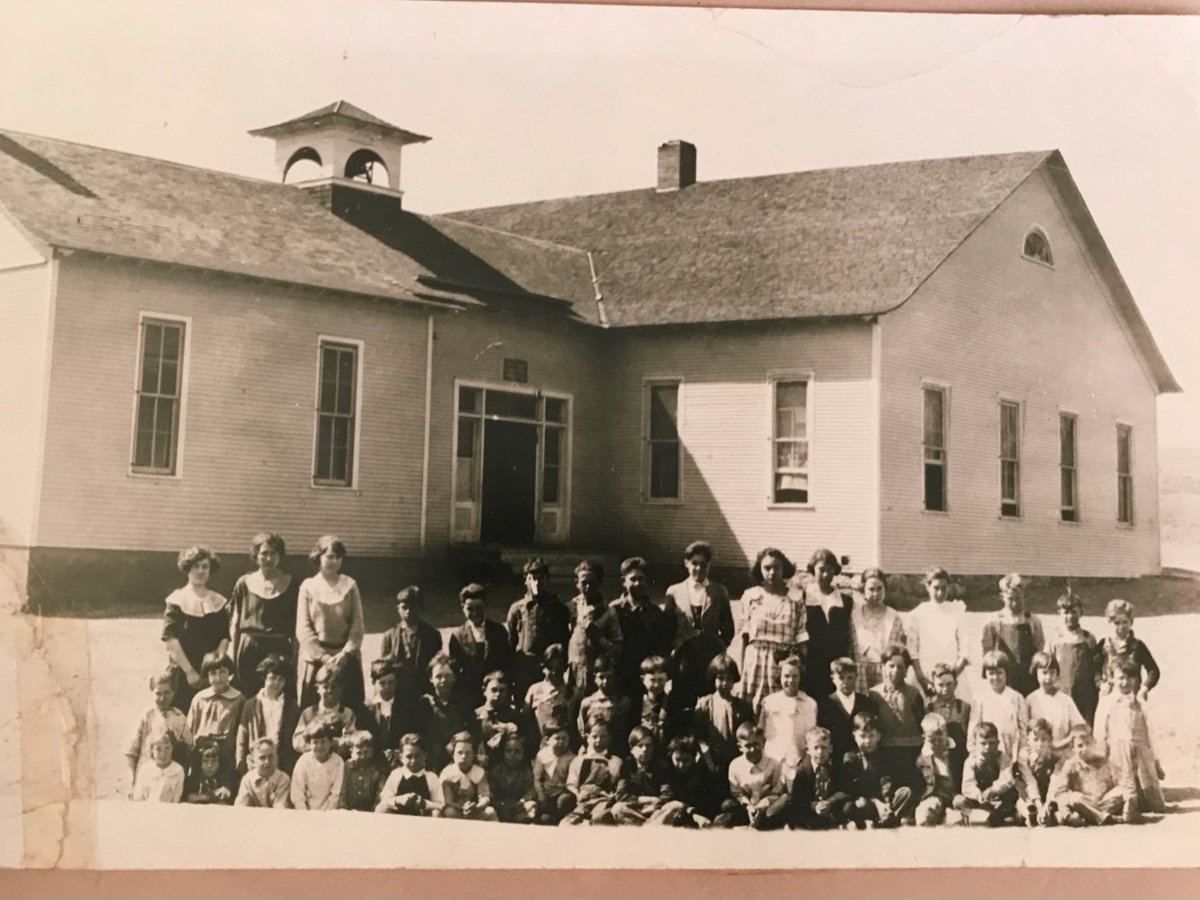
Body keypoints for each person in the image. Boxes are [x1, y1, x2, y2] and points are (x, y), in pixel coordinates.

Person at [295, 535, 365, 712]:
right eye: (329, 556)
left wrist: (346, 653)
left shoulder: (350, 585)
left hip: (345, 659)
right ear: (318, 557)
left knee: (350, 707)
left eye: (338, 557)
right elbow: (303, 628)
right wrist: (324, 658)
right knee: (313, 709)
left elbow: (358, 624)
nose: (334, 561)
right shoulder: (308, 586)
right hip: (317, 659)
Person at [228, 532, 299, 698]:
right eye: (264, 553)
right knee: (247, 695)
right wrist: (234, 657)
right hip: (249, 648)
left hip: (279, 647)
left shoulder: (292, 583)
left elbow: (297, 624)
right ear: (256, 556)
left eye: (273, 553)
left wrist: (294, 657)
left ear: (280, 556)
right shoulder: (243, 583)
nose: (268, 558)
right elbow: (236, 623)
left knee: (278, 695)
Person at [737, 547, 807, 714]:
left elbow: (801, 635)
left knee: (781, 710)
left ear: (784, 569)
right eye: (767, 568)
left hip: (782, 663)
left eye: (777, 567)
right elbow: (744, 637)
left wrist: (801, 666)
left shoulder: (796, 597)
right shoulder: (750, 596)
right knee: (753, 710)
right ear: (759, 570)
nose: (772, 572)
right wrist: (741, 670)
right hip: (755, 662)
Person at [161, 545, 231, 712]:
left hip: (210, 673)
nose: (201, 571)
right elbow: (171, 639)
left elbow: (224, 636)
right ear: (188, 569)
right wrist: (190, 672)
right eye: (196, 566)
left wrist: (215, 668)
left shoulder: (218, 601)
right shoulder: (177, 599)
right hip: (183, 670)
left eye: (205, 566)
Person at [1095, 659, 1166, 821]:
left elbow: (1151, 734)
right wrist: (1101, 755)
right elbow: (1100, 731)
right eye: (1120, 678)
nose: (1125, 682)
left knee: (1157, 804)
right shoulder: (1107, 703)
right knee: (1124, 785)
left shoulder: (1141, 703)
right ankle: (1126, 802)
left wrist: (1156, 761)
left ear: (1135, 679)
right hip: (1118, 752)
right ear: (1111, 678)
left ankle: (1137, 799)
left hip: (1140, 753)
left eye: (1129, 678)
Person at [506, 558, 571, 701]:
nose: (537, 583)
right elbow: (510, 642)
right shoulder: (517, 609)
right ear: (526, 581)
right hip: (524, 669)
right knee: (523, 705)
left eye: (541, 579)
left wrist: (559, 666)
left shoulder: (559, 608)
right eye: (532, 579)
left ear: (547, 581)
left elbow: (564, 640)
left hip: (549, 669)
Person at [610, 557, 674, 699]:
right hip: (619, 674)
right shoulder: (614, 610)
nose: (637, 583)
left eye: (641, 579)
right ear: (623, 582)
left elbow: (663, 647)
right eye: (632, 579)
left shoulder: (656, 613)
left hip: (645, 678)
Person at [837, 711, 914, 828]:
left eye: (872, 736)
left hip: (884, 799)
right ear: (854, 736)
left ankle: (885, 819)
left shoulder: (884, 756)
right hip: (867, 801)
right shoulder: (851, 757)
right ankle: (884, 820)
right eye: (862, 736)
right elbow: (856, 788)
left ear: (879, 736)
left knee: (905, 792)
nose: (867, 741)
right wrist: (876, 803)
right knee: (860, 804)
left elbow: (886, 782)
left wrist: (885, 803)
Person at [797, 548, 855, 699]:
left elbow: (850, 633)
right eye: (821, 569)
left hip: (838, 663)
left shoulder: (845, 600)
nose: (826, 575)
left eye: (830, 570)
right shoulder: (803, 597)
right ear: (812, 570)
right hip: (812, 663)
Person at [906, 567, 968, 702]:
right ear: (928, 587)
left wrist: (951, 676)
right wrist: (922, 679)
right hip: (925, 673)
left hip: (952, 670)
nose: (940, 592)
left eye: (944, 588)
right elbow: (912, 650)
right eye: (936, 588)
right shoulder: (918, 613)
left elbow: (965, 649)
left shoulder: (956, 611)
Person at [450, 583, 515, 710]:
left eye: (479, 608)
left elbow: (507, 664)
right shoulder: (457, 636)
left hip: (496, 696)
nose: (475, 613)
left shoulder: (499, 631)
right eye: (470, 608)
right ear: (463, 607)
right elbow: (455, 671)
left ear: (486, 606)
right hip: (469, 696)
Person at [712, 723, 789, 830]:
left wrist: (761, 807)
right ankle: (748, 824)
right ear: (740, 747)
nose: (753, 749)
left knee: (782, 803)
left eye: (756, 744)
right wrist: (749, 808)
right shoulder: (735, 765)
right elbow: (737, 793)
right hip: (745, 807)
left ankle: (763, 825)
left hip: (766, 806)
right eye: (748, 746)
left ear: (763, 743)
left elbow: (777, 792)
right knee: (727, 806)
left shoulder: (774, 765)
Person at [125, 671, 193, 791]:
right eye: (158, 693)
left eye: (167, 693)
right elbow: (131, 750)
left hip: (170, 779)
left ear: (173, 693)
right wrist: (132, 779)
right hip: (146, 777)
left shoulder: (180, 718)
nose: (162, 698)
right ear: (152, 692)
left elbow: (189, 749)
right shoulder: (146, 716)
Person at [689, 654, 755, 777]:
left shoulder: (742, 706)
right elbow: (699, 737)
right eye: (720, 678)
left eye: (729, 679)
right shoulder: (705, 704)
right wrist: (709, 761)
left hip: (736, 764)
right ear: (713, 678)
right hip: (710, 763)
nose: (724, 683)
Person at [980, 573, 1045, 697]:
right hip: (1002, 678)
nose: (1015, 603)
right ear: (1002, 597)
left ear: (1024, 597)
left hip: (1028, 679)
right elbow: (986, 652)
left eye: (1018, 598)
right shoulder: (993, 622)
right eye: (1010, 599)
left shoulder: (1033, 621)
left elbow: (1039, 650)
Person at [236, 653, 301, 775]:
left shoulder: (292, 707)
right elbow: (242, 736)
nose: (276, 683)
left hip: (282, 765)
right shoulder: (251, 704)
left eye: (281, 679)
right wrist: (241, 762)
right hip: (256, 763)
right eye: (273, 678)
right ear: (264, 678)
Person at [758, 654, 818, 784]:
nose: (790, 680)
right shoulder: (769, 702)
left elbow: (813, 738)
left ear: (800, 677)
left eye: (795, 676)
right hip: (773, 763)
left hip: (799, 763)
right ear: (779, 677)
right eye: (786, 676)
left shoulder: (810, 703)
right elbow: (761, 734)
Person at [566, 560, 623, 695]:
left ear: (600, 583)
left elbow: (618, 649)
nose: (588, 587)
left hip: (597, 673)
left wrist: (598, 636)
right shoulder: (569, 608)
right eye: (584, 582)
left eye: (592, 582)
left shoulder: (608, 612)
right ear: (577, 582)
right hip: (572, 671)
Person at [1047, 591, 1103, 726]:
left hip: (1086, 693)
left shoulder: (1088, 638)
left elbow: (1096, 666)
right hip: (1062, 691)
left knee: (1085, 727)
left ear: (1081, 613)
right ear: (1059, 613)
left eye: (1074, 612)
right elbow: (1047, 666)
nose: (1070, 616)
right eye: (1066, 612)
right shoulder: (1054, 638)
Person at [869, 644, 924, 778]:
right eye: (891, 666)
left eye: (901, 667)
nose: (896, 670)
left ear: (906, 671)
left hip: (910, 749)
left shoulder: (913, 694)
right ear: (883, 668)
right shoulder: (874, 694)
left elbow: (920, 723)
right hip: (884, 749)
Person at [185, 652, 245, 777]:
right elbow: (190, 730)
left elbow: (241, 732)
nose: (218, 678)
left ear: (230, 672)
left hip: (226, 756)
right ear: (207, 676)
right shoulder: (200, 699)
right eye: (213, 673)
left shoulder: (239, 699)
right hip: (202, 757)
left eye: (222, 672)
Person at [1050, 725, 1123, 826]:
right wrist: (1067, 814)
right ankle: (1104, 817)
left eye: (1088, 744)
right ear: (1073, 748)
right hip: (1083, 801)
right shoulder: (1071, 764)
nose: (1085, 748)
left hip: (1101, 802)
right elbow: (1060, 793)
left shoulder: (1102, 760)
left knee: (1123, 791)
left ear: (1093, 743)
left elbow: (1116, 781)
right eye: (1080, 746)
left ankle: (1091, 816)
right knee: (1075, 798)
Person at [380, 586, 444, 701]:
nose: (408, 611)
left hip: (424, 694)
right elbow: (383, 670)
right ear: (398, 609)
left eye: (413, 607)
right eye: (404, 607)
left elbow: (436, 667)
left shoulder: (432, 635)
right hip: (398, 695)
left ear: (421, 608)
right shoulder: (389, 637)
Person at [415, 652, 475, 774]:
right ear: (431, 679)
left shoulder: (463, 703)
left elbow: (473, 730)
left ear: (455, 677)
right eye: (438, 676)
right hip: (430, 763)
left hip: (459, 762)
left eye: (447, 676)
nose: (443, 680)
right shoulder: (424, 704)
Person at [849, 567, 906, 693]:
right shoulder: (854, 615)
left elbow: (897, 649)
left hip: (884, 673)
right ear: (863, 589)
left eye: (879, 588)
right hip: (860, 674)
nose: (876, 593)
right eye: (871, 589)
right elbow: (850, 648)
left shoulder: (893, 616)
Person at [649, 735, 725, 828]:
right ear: (671, 756)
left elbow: (709, 801)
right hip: (677, 815)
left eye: (686, 760)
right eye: (677, 760)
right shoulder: (667, 774)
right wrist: (692, 813)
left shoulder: (699, 773)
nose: (681, 765)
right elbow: (667, 799)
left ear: (694, 758)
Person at [954, 721, 1020, 827]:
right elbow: (968, 785)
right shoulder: (971, 761)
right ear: (975, 744)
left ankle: (995, 816)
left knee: (1012, 794)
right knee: (958, 800)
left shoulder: (1002, 758)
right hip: (979, 800)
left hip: (998, 799)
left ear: (998, 743)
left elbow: (1007, 779)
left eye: (992, 743)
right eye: (983, 743)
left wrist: (994, 790)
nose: (987, 747)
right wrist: (979, 796)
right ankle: (983, 815)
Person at [817, 657, 877, 774]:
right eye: (841, 678)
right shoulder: (826, 704)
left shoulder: (864, 702)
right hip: (835, 760)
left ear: (856, 678)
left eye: (850, 678)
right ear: (833, 679)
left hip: (861, 759)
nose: (846, 682)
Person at [1098, 599, 1160, 709]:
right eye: (1116, 623)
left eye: (1125, 622)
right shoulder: (1104, 645)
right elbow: (1094, 668)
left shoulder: (1138, 646)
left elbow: (1153, 670)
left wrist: (1145, 688)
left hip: (1133, 699)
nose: (1121, 626)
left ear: (1131, 622)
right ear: (1109, 622)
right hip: (1111, 699)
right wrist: (1100, 684)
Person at [968, 651, 1027, 766]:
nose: (995, 677)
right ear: (985, 674)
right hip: (987, 753)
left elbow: (1023, 729)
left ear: (1006, 674)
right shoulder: (980, 699)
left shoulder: (1016, 698)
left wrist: (1021, 755)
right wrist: (975, 753)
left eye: (999, 673)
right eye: (991, 673)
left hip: (1011, 752)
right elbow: (973, 729)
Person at [561, 718, 623, 825]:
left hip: (603, 801)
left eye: (603, 737)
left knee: (599, 818)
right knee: (567, 824)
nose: (598, 740)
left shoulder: (615, 761)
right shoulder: (578, 760)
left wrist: (612, 795)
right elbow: (571, 784)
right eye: (594, 737)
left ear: (609, 738)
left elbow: (619, 786)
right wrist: (577, 794)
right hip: (583, 801)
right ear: (587, 737)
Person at [790, 726, 851, 830]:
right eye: (816, 748)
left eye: (823, 747)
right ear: (808, 750)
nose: (820, 752)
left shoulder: (836, 767)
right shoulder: (803, 770)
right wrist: (814, 806)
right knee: (796, 809)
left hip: (830, 808)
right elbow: (798, 797)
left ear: (830, 748)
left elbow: (845, 790)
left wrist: (831, 802)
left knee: (848, 807)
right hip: (811, 809)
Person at [292, 663, 357, 758]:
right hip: (313, 761)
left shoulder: (346, 713)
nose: (330, 691)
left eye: (334, 687)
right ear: (317, 688)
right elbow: (296, 741)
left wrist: (335, 743)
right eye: (325, 687)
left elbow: (351, 741)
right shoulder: (309, 713)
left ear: (340, 689)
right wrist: (315, 745)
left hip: (337, 760)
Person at [1023, 653, 1086, 750]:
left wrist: (1065, 741)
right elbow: (1024, 729)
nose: (1048, 678)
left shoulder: (1065, 700)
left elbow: (1079, 726)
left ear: (1057, 674)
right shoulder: (1030, 700)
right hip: (1038, 750)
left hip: (1062, 750)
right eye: (1044, 673)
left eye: (1052, 673)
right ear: (1036, 673)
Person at [610, 726, 668, 825]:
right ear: (632, 749)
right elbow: (621, 794)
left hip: (656, 810)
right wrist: (644, 800)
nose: (645, 749)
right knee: (617, 809)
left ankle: (645, 826)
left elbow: (667, 793)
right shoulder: (627, 766)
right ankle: (650, 826)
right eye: (640, 745)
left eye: (648, 745)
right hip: (635, 809)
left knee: (676, 806)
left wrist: (656, 803)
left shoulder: (660, 766)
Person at [375, 733, 444, 817]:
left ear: (425, 756)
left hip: (423, 817)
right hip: (399, 816)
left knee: (436, 813)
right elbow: (384, 799)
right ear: (401, 757)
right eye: (409, 756)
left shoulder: (431, 777)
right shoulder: (396, 774)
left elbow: (440, 804)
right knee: (380, 809)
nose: (413, 761)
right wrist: (399, 800)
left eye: (417, 756)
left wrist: (425, 804)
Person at [576, 658, 632, 757]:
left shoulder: (624, 702)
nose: (605, 681)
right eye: (601, 677)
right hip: (594, 752)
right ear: (595, 678)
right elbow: (582, 730)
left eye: (610, 677)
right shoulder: (587, 703)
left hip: (618, 753)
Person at [475, 671, 532, 767]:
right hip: (482, 766)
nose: (498, 694)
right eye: (493, 690)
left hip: (506, 769)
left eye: (502, 690)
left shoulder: (516, 716)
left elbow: (524, 743)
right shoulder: (475, 715)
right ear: (484, 691)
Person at [925, 663, 970, 784]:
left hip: (960, 757)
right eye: (940, 685)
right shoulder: (929, 708)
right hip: (940, 757)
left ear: (956, 684)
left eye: (949, 684)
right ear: (933, 686)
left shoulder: (965, 707)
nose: (945, 689)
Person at [523, 643, 576, 744]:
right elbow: (525, 721)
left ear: (565, 668)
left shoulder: (573, 692)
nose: (554, 673)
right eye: (550, 668)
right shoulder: (535, 690)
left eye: (559, 668)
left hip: (564, 745)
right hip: (541, 744)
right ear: (543, 668)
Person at [1014, 718, 1062, 827]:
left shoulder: (1057, 757)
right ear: (1028, 741)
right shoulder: (1023, 757)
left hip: (1049, 791)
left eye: (1044, 739)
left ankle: (1051, 813)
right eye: (1035, 739)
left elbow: (1055, 782)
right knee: (1022, 802)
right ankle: (1030, 815)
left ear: (1050, 740)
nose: (1040, 744)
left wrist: (1047, 804)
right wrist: (1039, 805)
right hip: (1032, 794)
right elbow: (1030, 781)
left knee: (1059, 800)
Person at [440, 731, 498, 821]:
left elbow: (484, 797)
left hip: (475, 811)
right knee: (449, 812)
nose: (464, 756)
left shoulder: (479, 772)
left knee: (490, 811)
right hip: (457, 810)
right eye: (460, 753)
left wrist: (476, 807)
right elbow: (448, 801)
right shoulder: (447, 773)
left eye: (468, 753)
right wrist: (462, 808)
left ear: (473, 754)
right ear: (453, 754)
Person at [914, 713, 959, 826]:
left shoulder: (957, 753)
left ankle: (950, 815)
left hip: (955, 795)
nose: (937, 743)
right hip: (936, 795)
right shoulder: (922, 759)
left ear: (946, 734)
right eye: (932, 740)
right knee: (923, 816)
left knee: (960, 818)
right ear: (924, 737)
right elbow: (920, 785)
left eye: (940, 739)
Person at [290, 720, 345, 811]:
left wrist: (326, 815)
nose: (319, 746)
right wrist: (305, 813)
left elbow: (336, 793)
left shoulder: (338, 762)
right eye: (315, 742)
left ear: (331, 742)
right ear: (309, 744)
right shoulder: (303, 761)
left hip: (329, 811)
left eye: (323, 741)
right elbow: (297, 793)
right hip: (305, 810)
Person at [532, 716, 578, 825]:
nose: (561, 742)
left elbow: (572, 782)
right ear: (547, 740)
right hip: (546, 794)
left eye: (565, 738)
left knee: (564, 801)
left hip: (562, 793)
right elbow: (537, 779)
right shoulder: (542, 755)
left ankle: (561, 819)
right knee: (543, 817)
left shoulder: (572, 758)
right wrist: (541, 796)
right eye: (557, 738)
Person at [490, 732, 538, 824]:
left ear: (523, 753)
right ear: (503, 752)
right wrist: (502, 804)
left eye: (517, 751)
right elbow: (491, 793)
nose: (512, 754)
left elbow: (531, 791)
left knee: (531, 806)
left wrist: (521, 801)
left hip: (518, 805)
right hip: (501, 805)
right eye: (508, 751)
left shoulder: (526, 771)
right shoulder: (497, 770)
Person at [234, 738, 292, 809]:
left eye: (271, 757)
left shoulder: (283, 779)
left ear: (277, 759)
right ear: (253, 761)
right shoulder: (248, 780)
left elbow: (280, 808)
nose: (267, 762)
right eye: (262, 757)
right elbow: (241, 807)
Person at [131, 732, 185, 803]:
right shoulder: (145, 769)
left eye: (167, 748)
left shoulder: (178, 771)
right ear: (151, 750)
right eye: (158, 749)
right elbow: (138, 797)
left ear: (173, 748)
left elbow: (176, 799)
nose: (163, 754)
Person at [342, 730, 388, 812]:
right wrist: (345, 811)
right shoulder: (345, 767)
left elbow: (380, 796)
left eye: (366, 752)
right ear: (351, 750)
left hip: (370, 813)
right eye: (359, 753)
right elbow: (341, 793)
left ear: (372, 751)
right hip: (347, 813)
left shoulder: (378, 770)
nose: (363, 756)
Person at [183, 737, 236, 805]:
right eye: (205, 761)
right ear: (199, 762)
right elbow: (186, 797)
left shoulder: (223, 780)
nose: (209, 765)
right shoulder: (192, 780)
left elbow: (229, 794)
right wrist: (206, 797)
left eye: (214, 761)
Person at [637, 656, 674, 747]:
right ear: (643, 680)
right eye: (652, 680)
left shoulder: (671, 701)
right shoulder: (638, 703)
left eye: (661, 680)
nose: (657, 685)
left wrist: (667, 697)